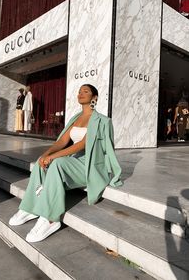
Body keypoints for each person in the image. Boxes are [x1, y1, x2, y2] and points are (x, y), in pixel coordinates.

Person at [9, 84, 122, 242]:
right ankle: (31, 207)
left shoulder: (102, 121)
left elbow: (82, 144)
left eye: (86, 91)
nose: (81, 93)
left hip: (89, 165)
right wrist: (46, 154)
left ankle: (51, 219)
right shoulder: (76, 118)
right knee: (41, 162)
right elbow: (63, 141)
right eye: (79, 91)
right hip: (75, 160)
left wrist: (54, 157)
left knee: (57, 163)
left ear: (94, 97)